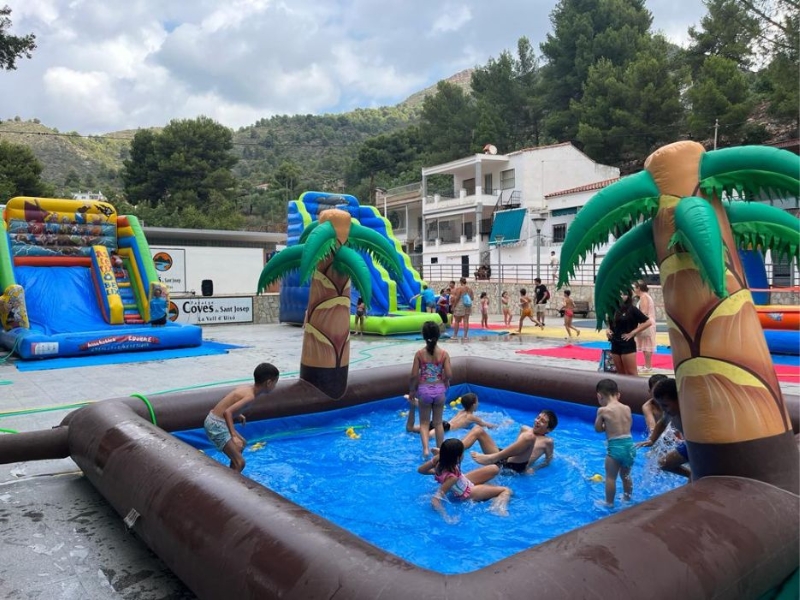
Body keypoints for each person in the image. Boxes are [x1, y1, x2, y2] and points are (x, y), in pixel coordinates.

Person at [204, 362, 280, 472]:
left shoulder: (246, 388)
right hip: (216, 424)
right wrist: (233, 434)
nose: (275, 386)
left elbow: (227, 398)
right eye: (275, 383)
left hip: (214, 419)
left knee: (242, 444)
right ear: (269, 382)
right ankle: (232, 484)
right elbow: (227, 412)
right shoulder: (250, 397)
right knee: (241, 462)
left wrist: (238, 413)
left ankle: (232, 473)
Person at [418, 438, 512, 521]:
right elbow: (436, 499)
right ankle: (497, 508)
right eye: (463, 453)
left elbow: (421, 470)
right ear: (458, 457)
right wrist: (447, 517)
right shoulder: (452, 478)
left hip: (463, 481)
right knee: (506, 490)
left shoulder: (439, 463)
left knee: (494, 469)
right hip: (468, 492)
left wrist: (435, 464)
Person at [408, 321, 452, 456]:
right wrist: (445, 382)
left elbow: (414, 375)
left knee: (424, 423)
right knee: (438, 423)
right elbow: (449, 374)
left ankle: (426, 450)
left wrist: (412, 390)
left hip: (424, 391)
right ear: (438, 335)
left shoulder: (419, 354)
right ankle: (440, 451)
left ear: (423, 335)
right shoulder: (444, 354)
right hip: (439, 391)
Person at [469, 409, 558, 475]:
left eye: (542, 421)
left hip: (517, 465)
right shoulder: (525, 429)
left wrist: (533, 468)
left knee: (530, 437)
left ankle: (493, 458)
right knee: (478, 430)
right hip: (505, 457)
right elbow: (516, 447)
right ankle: (456, 451)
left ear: (549, 429)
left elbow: (548, 460)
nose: (538, 421)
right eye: (538, 418)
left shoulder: (548, 441)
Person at [637, 378, 691, 478]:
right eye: (661, 405)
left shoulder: (689, 414)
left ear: (679, 399)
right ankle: (691, 475)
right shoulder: (669, 413)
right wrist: (652, 440)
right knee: (663, 463)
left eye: (665, 405)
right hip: (688, 445)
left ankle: (695, 477)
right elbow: (662, 423)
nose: (663, 409)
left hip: (699, 446)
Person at [594, 379, 635, 506]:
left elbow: (598, 429)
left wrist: (606, 426)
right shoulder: (627, 408)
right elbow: (629, 424)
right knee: (626, 476)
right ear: (618, 394)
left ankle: (609, 503)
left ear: (599, 396)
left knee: (611, 477)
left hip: (615, 447)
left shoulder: (603, 410)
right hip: (630, 446)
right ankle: (627, 500)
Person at [404, 392, 497, 438]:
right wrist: (502, 425)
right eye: (477, 402)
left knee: (410, 429)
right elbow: (487, 425)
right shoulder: (472, 417)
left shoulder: (461, 411)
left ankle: (417, 406)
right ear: (473, 405)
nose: (478, 404)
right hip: (445, 428)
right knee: (427, 437)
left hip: (441, 423)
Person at [605, 289, 654, 376]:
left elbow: (648, 322)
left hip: (627, 343)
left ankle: (635, 389)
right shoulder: (612, 308)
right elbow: (610, 323)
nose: (622, 296)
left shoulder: (632, 309)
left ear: (628, 296)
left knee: (631, 373)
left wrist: (633, 332)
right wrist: (608, 329)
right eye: (620, 294)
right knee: (620, 373)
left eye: (625, 294)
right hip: (615, 343)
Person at [633, 280, 657, 373]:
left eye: (635, 287)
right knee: (645, 344)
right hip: (647, 322)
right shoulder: (645, 296)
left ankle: (648, 366)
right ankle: (647, 365)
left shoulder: (644, 297)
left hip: (646, 323)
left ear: (639, 288)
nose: (634, 290)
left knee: (647, 344)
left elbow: (644, 312)